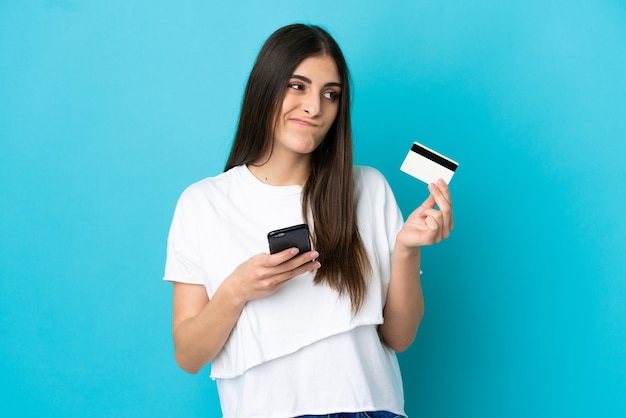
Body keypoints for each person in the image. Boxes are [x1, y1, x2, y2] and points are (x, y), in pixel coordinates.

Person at [163, 23, 453, 418]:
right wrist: (237, 290)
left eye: (330, 94)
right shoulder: (204, 204)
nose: (315, 107)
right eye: (297, 86)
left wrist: (406, 251)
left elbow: (399, 338)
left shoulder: (368, 188)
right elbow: (189, 355)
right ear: (265, 88)